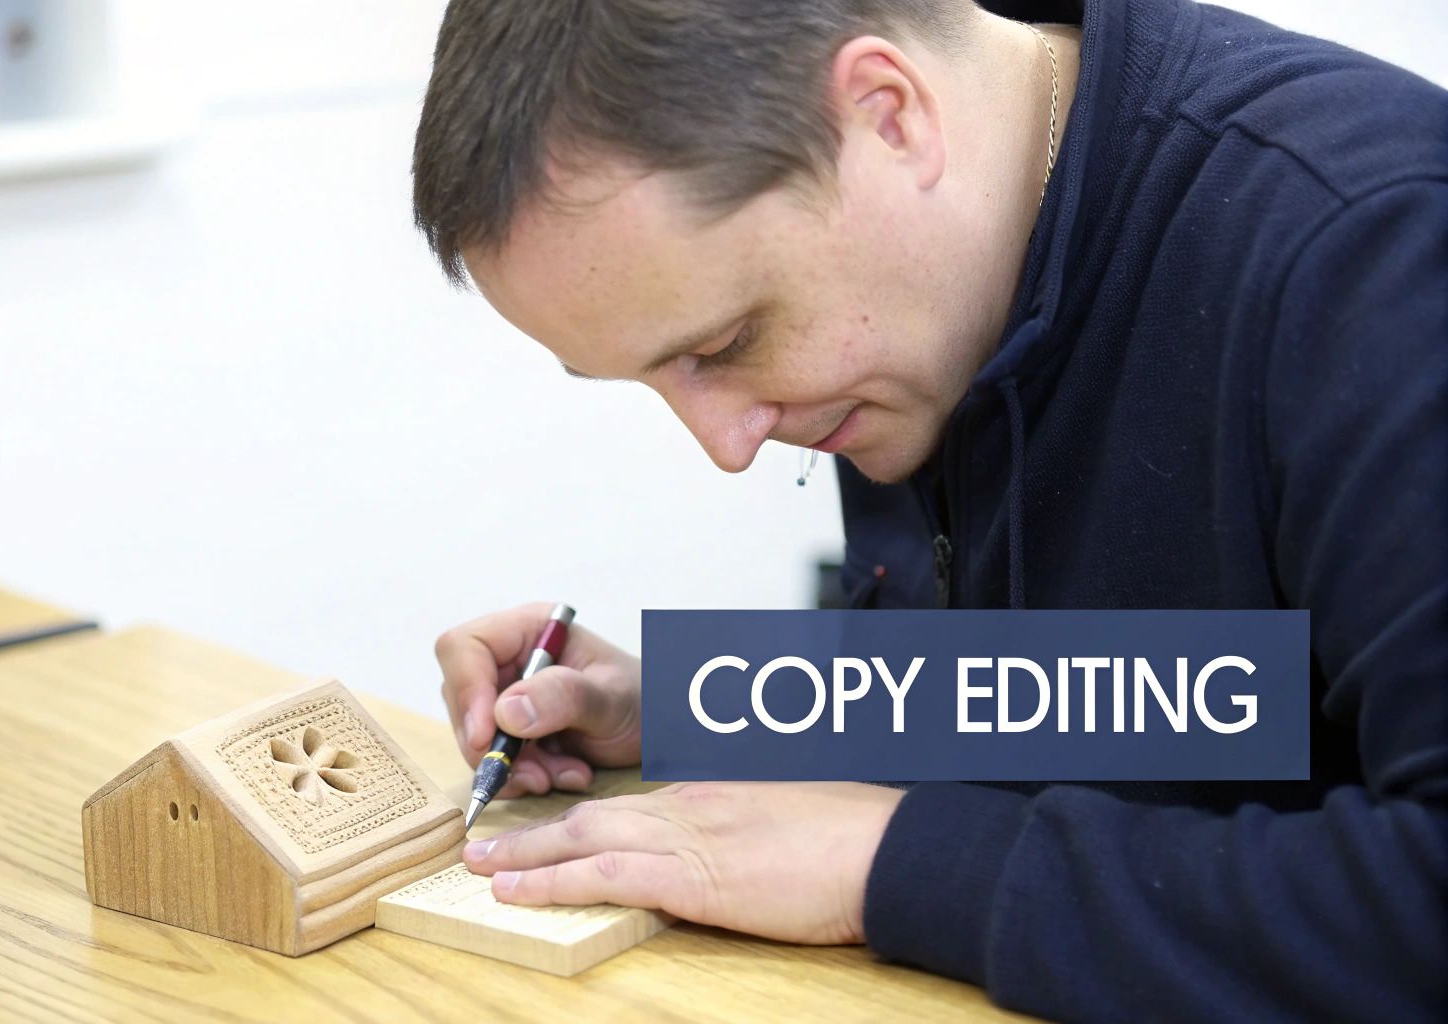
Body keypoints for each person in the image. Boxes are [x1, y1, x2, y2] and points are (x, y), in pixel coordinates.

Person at [412, 0, 1448, 1019]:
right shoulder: (931, 299)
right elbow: (1217, 699)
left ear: (887, 113)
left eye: (726, 343)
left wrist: (890, 861)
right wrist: (712, 707)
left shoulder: (1372, 245)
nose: (725, 444)